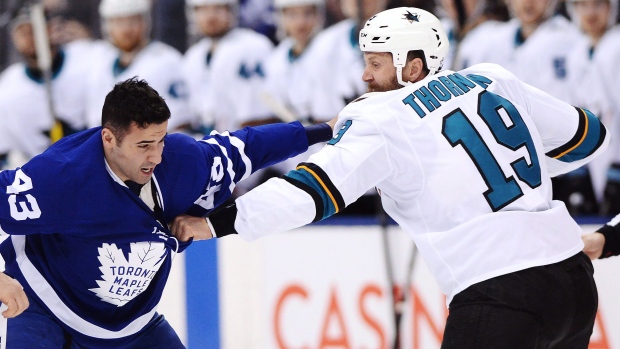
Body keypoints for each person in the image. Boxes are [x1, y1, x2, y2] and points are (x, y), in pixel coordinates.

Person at [171, 8, 608, 348]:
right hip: (571, 280)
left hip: (501, 293)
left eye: (376, 64)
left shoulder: (381, 115)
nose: (365, 76)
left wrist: (215, 222)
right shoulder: (494, 78)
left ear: (412, 67)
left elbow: (312, 191)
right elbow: (586, 136)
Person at [0, 77, 334, 348]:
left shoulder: (182, 160)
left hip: (130, 323)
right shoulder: (60, 178)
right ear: (108, 139)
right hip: (42, 303)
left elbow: (249, 147)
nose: (156, 156)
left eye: (160, 140)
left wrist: (325, 131)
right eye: (143, 145)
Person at [0, 6, 92, 170]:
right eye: (23, 32)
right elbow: (6, 153)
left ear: (50, 28)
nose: (31, 37)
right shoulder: (7, 88)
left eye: (36, 29)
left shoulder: (89, 59)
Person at [85, 0, 191, 131]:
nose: (126, 29)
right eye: (118, 22)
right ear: (107, 26)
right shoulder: (100, 60)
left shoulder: (166, 60)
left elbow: (180, 123)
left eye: (132, 21)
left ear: (145, 22)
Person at [182, 0, 274, 134]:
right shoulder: (193, 56)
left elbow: (258, 120)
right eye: (203, 9)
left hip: (243, 144)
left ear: (231, 10)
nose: (211, 16)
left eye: (218, 8)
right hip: (209, 144)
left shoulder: (252, 46)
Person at [565, 0, 618, 214]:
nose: (590, 12)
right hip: (596, 161)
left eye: (598, 4)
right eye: (582, 5)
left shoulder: (617, 45)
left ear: (611, 8)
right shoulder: (576, 52)